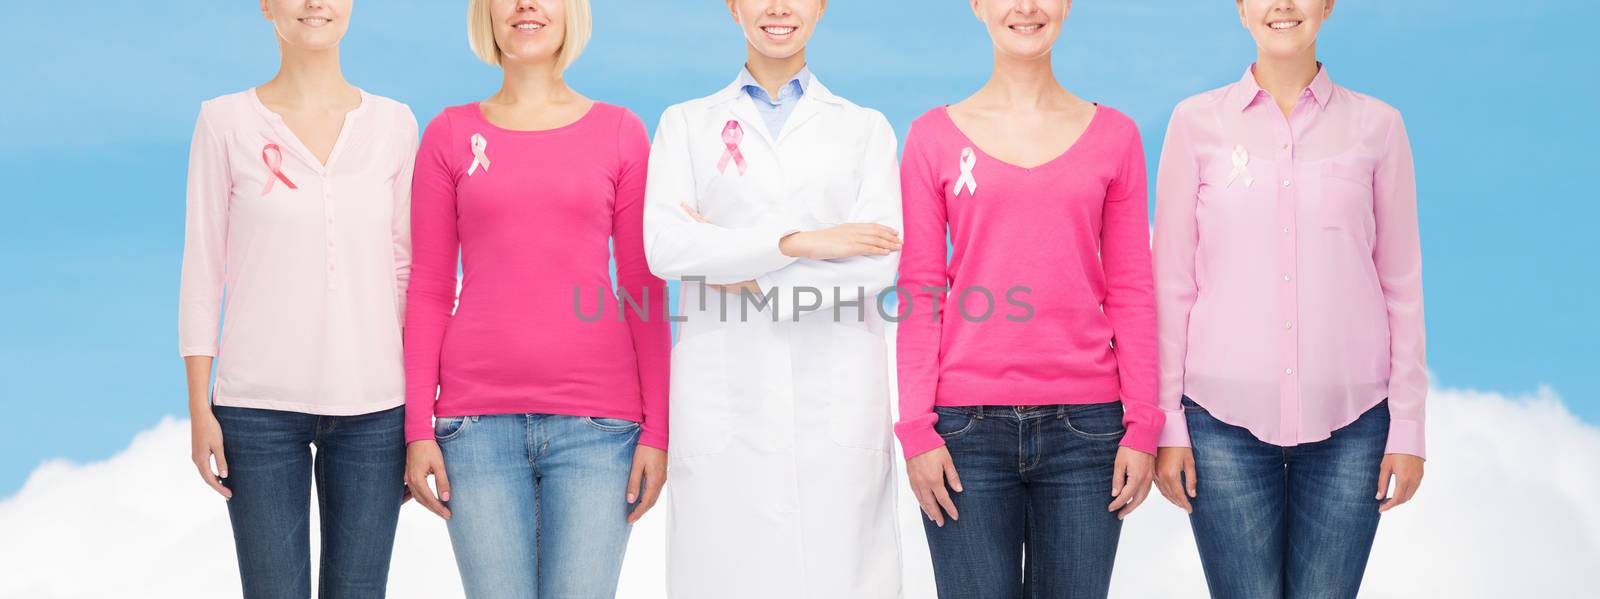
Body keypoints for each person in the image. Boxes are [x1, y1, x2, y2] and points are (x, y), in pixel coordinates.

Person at [1151, 1, 1427, 597]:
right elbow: (1172, 284)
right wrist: (1166, 420)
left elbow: (1401, 285)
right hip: (1218, 424)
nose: (1282, 6)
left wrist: (1407, 427)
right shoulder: (1194, 123)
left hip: (1353, 424)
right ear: (1241, 10)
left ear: (1326, 7)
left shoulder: (1379, 126)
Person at [402, 0, 671, 597]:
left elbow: (642, 285)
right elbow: (427, 289)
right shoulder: (448, 134)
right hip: (474, 429)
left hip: (600, 429)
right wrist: (418, 428)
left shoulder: (621, 131)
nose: (526, 5)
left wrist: (658, 431)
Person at [894, 1, 1162, 597]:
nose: (1026, 8)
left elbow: (1133, 290)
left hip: (1090, 432)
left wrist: (1143, 426)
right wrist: (916, 429)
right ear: (978, 7)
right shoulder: (931, 137)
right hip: (963, 434)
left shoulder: (1115, 136)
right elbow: (919, 288)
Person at [641, 0, 904, 596]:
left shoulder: (865, 129)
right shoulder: (686, 124)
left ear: (821, 8)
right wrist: (803, 242)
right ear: (734, 7)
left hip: (833, 405)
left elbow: (876, 264)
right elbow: (667, 248)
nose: (778, 9)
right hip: (724, 404)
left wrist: (744, 269)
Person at [179, 0, 417, 596]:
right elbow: (203, 268)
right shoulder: (225, 121)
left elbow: (407, 268)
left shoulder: (394, 124)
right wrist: (199, 407)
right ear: (266, 6)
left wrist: (420, 420)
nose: (316, 3)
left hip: (376, 410)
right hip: (255, 409)